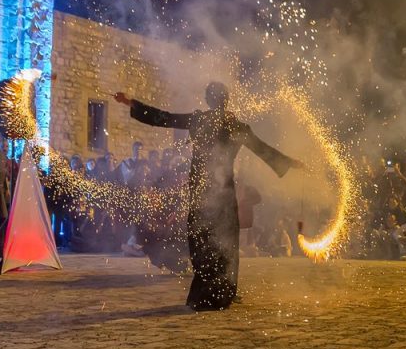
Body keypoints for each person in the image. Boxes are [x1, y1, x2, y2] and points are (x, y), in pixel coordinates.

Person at [114, 85, 301, 311]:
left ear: (208, 100)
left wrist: (131, 102)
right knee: (226, 243)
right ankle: (224, 292)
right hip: (223, 191)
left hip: (203, 190)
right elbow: (263, 150)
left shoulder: (199, 120)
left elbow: (164, 118)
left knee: (202, 241)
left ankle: (205, 294)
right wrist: (290, 163)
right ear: (226, 100)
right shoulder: (237, 126)